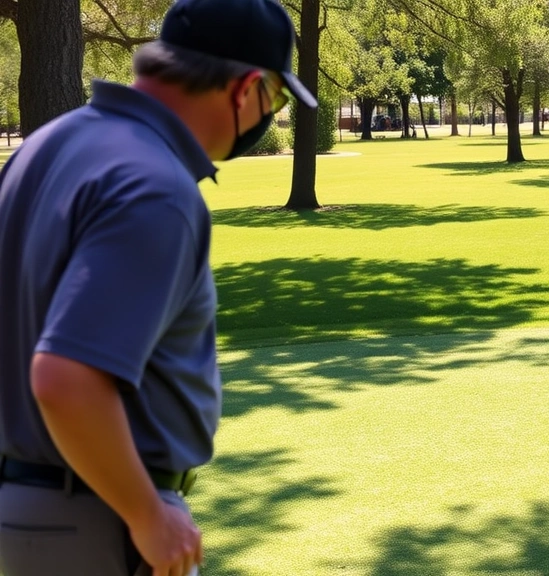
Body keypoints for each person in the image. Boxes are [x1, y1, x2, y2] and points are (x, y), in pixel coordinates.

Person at [0, 0, 316, 574]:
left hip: (31, 510)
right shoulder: (155, 186)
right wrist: (147, 512)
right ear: (247, 90)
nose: (271, 113)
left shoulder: (45, 148)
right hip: (97, 522)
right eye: (277, 98)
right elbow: (65, 378)